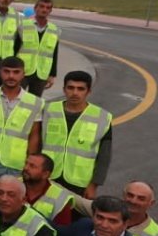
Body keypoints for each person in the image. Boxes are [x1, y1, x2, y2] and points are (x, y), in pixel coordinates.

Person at [0, 56, 43, 193]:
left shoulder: (36, 103)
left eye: (16, 72)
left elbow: (34, 135)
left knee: (7, 204)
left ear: (24, 74)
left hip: (15, 163)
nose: (11, 76)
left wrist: (29, 163)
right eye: (6, 71)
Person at [41, 70, 113, 199]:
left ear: (88, 91)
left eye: (80, 89)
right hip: (48, 176)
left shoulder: (102, 117)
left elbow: (104, 156)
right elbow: (37, 142)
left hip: (80, 182)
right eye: (71, 88)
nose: (75, 93)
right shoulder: (48, 110)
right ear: (64, 89)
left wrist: (93, 185)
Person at [19, 0, 61, 96]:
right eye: (41, 6)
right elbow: (15, 48)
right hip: (23, 71)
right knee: (17, 99)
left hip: (42, 72)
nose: (44, 10)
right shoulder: (23, 26)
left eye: (48, 8)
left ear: (50, 11)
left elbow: (54, 53)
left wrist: (52, 75)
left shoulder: (54, 30)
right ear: (35, 8)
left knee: (34, 103)